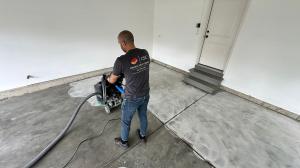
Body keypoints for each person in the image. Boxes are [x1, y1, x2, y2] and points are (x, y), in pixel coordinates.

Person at [107, 30, 150, 149]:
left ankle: (124, 142)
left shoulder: (121, 60)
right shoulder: (145, 53)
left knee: (126, 121)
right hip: (146, 93)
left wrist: (109, 76)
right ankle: (142, 136)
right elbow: (138, 71)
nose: (120, 46)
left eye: (119, 43)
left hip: (132, 97)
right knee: (143, 115)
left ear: (124, 42)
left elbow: (111, 80)